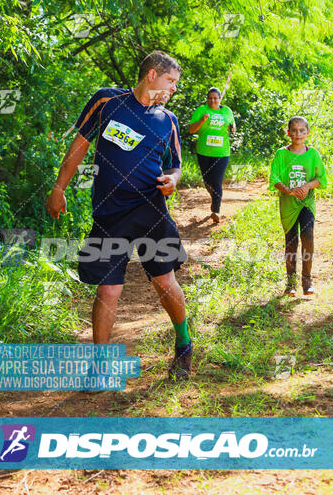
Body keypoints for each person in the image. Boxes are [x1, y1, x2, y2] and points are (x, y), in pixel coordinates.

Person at [46, 51, 192, 379]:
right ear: (151, 74)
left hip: (151, 212)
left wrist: (172, 181)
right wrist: (59, 187)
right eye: (171, 82)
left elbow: (176, 166)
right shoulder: (107, 102)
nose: (173, 89)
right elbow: (80, 145)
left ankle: (183, 344)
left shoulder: (167, 120)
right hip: (110, 214)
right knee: (107, 290)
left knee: (164, 281)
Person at [269, 116, 327, 296]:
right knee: (291, 243)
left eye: (302, 130)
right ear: (288, 133)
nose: (298, 134)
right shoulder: (281, 154)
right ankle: (291, 283)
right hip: (288, 205)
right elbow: (274, 178)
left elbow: (321, 179)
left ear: (308, 133)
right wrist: (289, 190)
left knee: (308, 236)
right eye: (294, 130)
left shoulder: (313, 154)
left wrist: (307, 186)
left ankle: (307, 281)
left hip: (306, 203)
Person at [188, 86, 236, 222]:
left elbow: (233, 125)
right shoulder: (201, 110)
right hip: (204, 151)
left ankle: (216, 210)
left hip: (221, 152)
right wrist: (202, 120)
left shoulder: (227, 111)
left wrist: (232, 127)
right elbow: (191, 129)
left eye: (215, 98)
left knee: (216, 181)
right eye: (210, 98)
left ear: (220, 99)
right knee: (207, 181)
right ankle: (215, 197)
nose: (212, 100)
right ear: (207, 99)